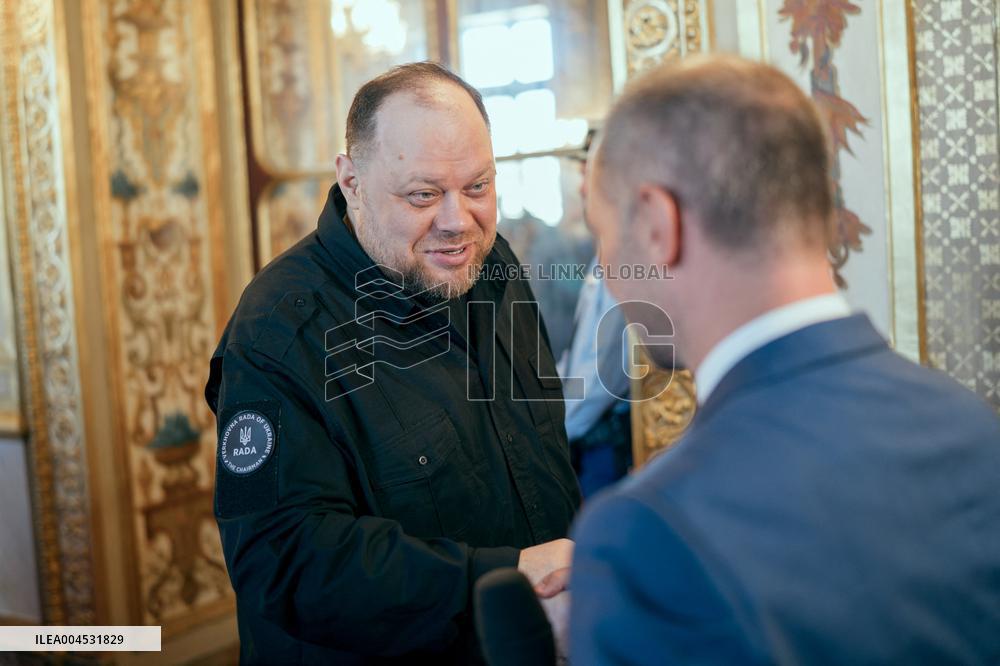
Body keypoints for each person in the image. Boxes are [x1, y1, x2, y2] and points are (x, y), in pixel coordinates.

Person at [553, 55, 1000, 664]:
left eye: (604, 236)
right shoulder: (971, 426)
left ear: (658, 224)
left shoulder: (648, 538)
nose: (605, 268)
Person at [205, 62, 581, 664]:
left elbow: (538, 451)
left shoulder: (491, 260)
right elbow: (285, 563)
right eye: (423, 194)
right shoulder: (277, 335)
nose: (459, 222)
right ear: (350, 180)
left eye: (478, 187)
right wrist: (508, 576)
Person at [558, 129, 632, 498]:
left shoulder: (623, 264)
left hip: (603, 447)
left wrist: (554, 429)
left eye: (587, 175)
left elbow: (599, 372)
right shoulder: (601, 258)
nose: (583, 189)